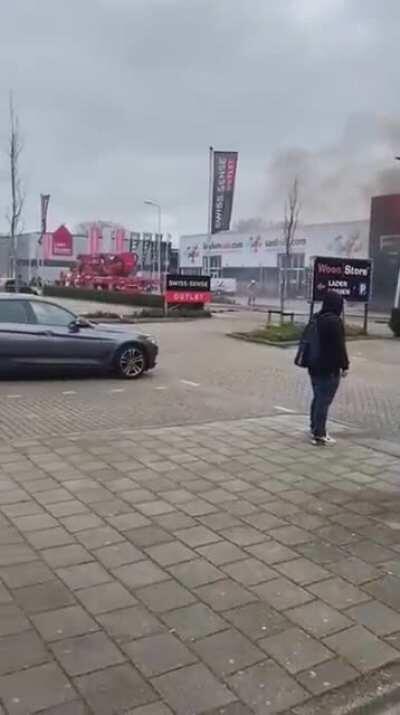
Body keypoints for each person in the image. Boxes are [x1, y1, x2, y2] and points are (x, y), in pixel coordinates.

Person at [309, 290, 349, 445]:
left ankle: (314, 427)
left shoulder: (317, 318)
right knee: (324, 401)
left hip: (313, 366)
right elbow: (340, 347)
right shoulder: (335, 322)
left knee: (317, 398)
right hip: (329, 369)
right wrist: (345, 366)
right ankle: (319, 434)